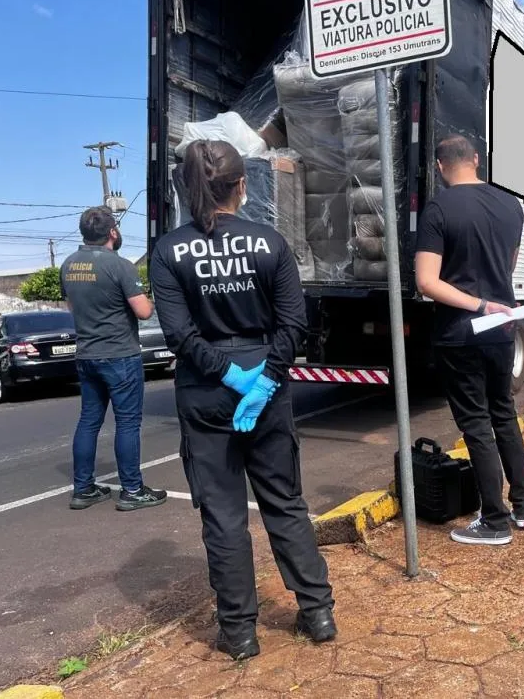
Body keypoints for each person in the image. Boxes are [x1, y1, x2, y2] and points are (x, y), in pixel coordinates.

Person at [149, 140, 335, 661]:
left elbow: (179, 336)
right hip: (264, 383)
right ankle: (318, 612)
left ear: (187, 189)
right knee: (284, 501)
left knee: (224, 514)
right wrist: (261, 381)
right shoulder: (269, 242)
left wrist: (229, 375)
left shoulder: (168, 252)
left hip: (206, 389)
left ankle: (239, 632)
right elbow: (294, 324)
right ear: (242, 186)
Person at [414, 134, 524, 546]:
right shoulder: (511, 206)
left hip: (460, 333)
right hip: (503, 328)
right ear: (476, 160)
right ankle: (523, 506)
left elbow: (427, 281)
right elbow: (507, 266)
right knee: (504, 414)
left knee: (476, 424)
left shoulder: (438, 208)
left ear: (440, 166)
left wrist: (478, 305)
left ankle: (495, 521)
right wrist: (492, 303)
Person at [60, 206, 168, 512]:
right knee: (128, 423)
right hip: (120, 354)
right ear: (112, 232)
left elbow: (72, 307)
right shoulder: (120, 266)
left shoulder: (68, 265)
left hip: (87, 354)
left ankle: (83, 489)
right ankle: (132, 490)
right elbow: (143, 312)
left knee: (89, 421)